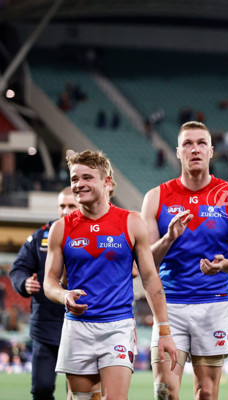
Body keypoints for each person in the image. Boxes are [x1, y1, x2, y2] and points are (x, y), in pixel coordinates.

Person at [43, 150, 177, 399]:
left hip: (117, 326)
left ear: (106, 181)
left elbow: (149, 278)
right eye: (74, 179)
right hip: (77, 327)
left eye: (87, 177)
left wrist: (165, 332)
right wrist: (64, 296)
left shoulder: (132, 222)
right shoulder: (60, 229)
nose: (79, 184)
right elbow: (49, 282)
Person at [141, 121, 228, 400]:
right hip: (171, 307)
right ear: (178, 152)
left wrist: (225, 265)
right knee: (164, 392)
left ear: (212, 151)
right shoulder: (156, 198)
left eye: (201, 143)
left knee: (206, 393)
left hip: (214, 304)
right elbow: (145, 266)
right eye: (188, 144)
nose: (195, 149)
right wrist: (168, 238)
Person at [10, 187, 78, 400]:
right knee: (41, 388)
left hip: (80, 327)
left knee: (78, 393)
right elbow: (18, 268)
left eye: (71, 206)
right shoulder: (40, 237)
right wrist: (24, 283)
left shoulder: (93, 234)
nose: (65, 211)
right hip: (45, 326)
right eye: (62, 206)